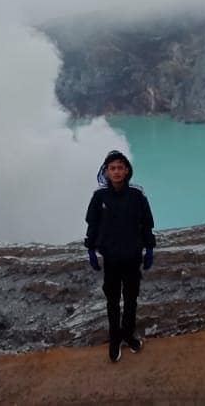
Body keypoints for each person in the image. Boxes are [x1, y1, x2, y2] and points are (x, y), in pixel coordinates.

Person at [84, 149, 156, 363]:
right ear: (106, 172)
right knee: (113, 301)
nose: (116, 172)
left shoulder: (137, 195)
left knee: (131, 300)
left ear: (127, 171)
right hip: (111, 259)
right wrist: (91, 250)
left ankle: (128, 335)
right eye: (112, 168)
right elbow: (92, 225)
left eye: (120, 168)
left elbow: (146, 224)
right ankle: (115, 340)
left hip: (132, 257)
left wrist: (149, 249)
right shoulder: (99, 197)